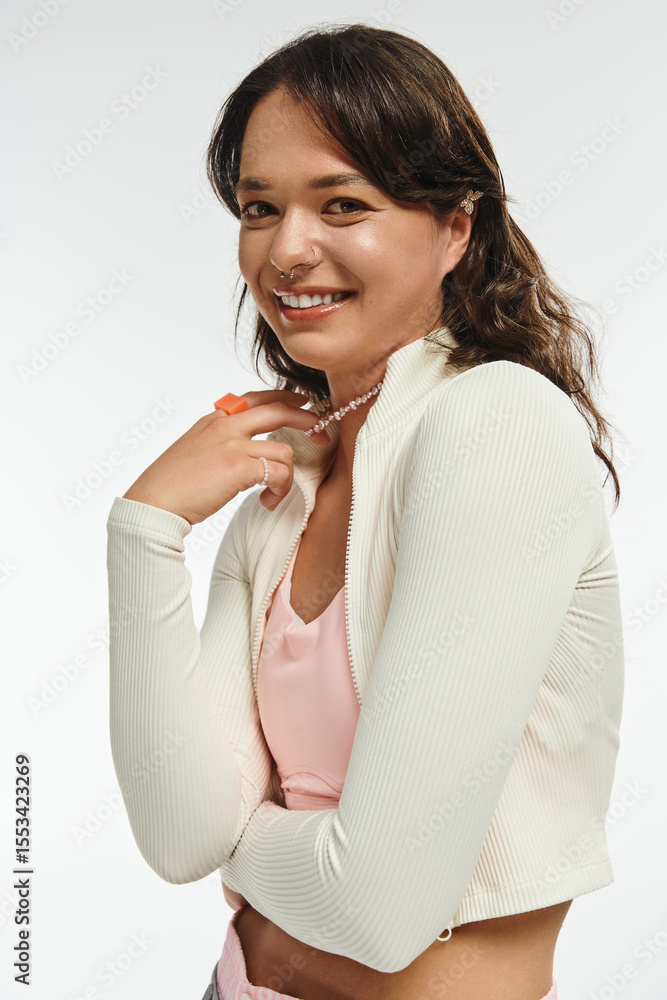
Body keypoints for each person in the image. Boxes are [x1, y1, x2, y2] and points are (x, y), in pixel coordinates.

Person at [106, 22, 625, 1000]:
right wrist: (143, 528)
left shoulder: (496, 423)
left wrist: (239, 840)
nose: (287, 250)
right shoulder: (288, 484)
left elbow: (375, 907)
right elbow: (177, 835)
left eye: (342, 203)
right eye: (259, 208)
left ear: (455, 227)